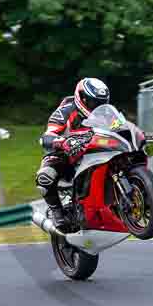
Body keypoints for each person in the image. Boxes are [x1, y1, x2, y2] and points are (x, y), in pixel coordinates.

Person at [36, 78, 111, 230]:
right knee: (45, 175)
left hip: (99, 153)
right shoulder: (65, 111)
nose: (97, 107)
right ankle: (57, 213)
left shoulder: (108, 114)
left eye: (101, 103)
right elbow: (47, 136)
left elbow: (120, 127)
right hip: (68, 157)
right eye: (93, 103)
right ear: (81, 98)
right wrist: (62, 142)